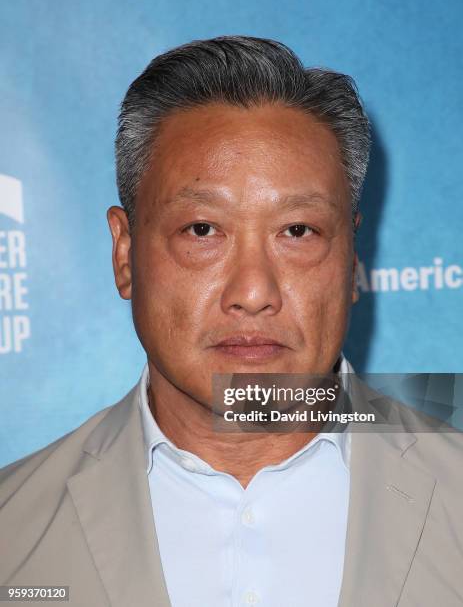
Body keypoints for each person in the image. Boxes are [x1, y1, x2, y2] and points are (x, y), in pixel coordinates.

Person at [0, 36, 462, 607]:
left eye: (298, 231)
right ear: (125, 255)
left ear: (350, 259)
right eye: (202, 230)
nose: (253, 292)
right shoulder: (11, 533)